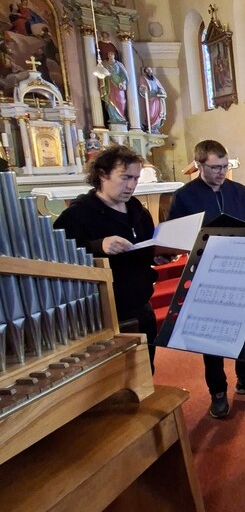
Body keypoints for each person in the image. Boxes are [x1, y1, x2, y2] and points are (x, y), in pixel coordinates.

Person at [168, 139, 245, 418]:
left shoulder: (239, 190)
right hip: (206, 272)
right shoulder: (184, 196)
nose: (222, 172)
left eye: (225, 166)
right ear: (198, 165)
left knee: (244, 329)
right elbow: (175, 235)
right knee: (211, 336)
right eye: (215, 167)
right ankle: (217, 391)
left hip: (241, 268)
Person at [55, 145, 159, 370]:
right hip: (102, 314)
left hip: (141, 306)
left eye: (136, 178)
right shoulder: (78, 214)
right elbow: (55, 255)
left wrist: (157, 257)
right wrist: (97, 245)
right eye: (125, 177)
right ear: (102, 175)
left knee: (146, 371)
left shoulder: (139, 212)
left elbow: (144, 249)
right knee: (116, 377)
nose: (132, 185)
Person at [99, 48, 128, 126]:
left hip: (118, 86)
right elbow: (101, 75)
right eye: (109, 54)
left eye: (112, 54)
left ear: (115, 55)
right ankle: (113, 118)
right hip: (109, 86)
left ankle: (121, 117)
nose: (110, 55)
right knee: (110, 102)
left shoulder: (119, 64)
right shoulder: (104, 64)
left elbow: (124, 76)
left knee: (121, 101)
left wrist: (123, 82)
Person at [138, 66, 167, 133]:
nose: (149, 71)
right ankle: (150, 126)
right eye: (148, 70)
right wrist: (146, 91)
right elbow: (142, 89)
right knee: (151, 114)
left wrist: (160, 91)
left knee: (158, 113)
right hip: (149, 99)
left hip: (157, 99)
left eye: (150, 70)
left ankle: (155, 127)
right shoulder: (143, 78)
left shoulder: (155, 79)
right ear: (145, 72)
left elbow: (161, 88)